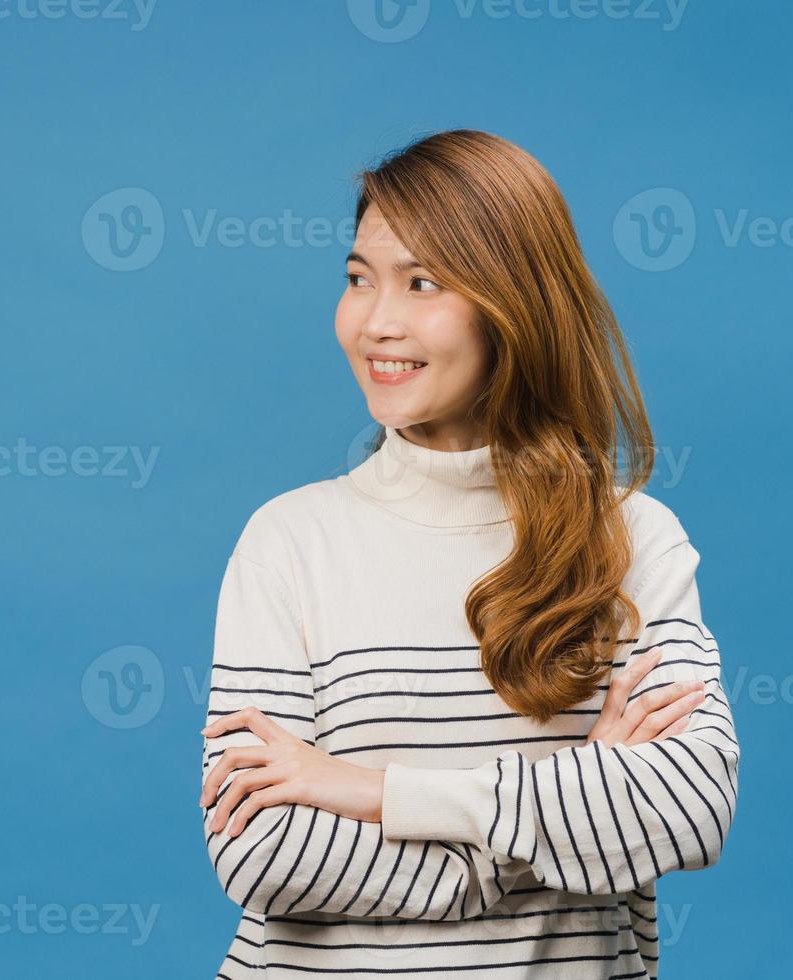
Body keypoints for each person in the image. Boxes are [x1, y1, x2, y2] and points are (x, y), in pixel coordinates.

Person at [198, 129, 740, 979]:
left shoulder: (633, 540)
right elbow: (264, 850)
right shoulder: (288, 542)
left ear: (515, 302)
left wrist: (368, 791)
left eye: (423, 283)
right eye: (356, 279)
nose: (375, 320)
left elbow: (687, 807)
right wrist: (563, 813)